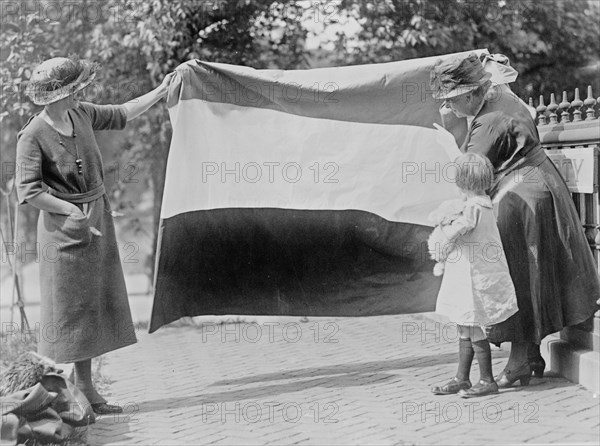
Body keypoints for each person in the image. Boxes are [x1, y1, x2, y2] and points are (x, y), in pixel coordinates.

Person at [15, 56, 175, 414]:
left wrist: (161, 91)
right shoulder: (33, 135)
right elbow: (28, 191)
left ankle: (87, 389)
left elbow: (122, 112)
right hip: (63, 232)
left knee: (92, 308)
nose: (80, 95)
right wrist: (72, 211)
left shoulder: (82, 114)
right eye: (75, 90)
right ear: (56, 95)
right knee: (69, 313)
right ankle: (71, 394)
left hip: (97, 218)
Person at [430, 53, 600, 387]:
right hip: (534, 190)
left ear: (468, 95)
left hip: (520, 198)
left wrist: (452, 135)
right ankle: (529, 355)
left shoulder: (487, 123)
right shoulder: (501, 95)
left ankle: (521, 360)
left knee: (519, 275)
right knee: (529, 274)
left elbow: (468, 173)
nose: (448, 108)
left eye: (451, 102)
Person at [429, 152, 519, 397]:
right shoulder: (481, 204)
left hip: (474, 276)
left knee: (472, 325)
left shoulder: (474, 207)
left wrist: (445, 224)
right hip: (467, 273)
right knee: (463, 325)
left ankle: (487, 379)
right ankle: (462, 377)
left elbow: (461, 228)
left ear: (463, 181)